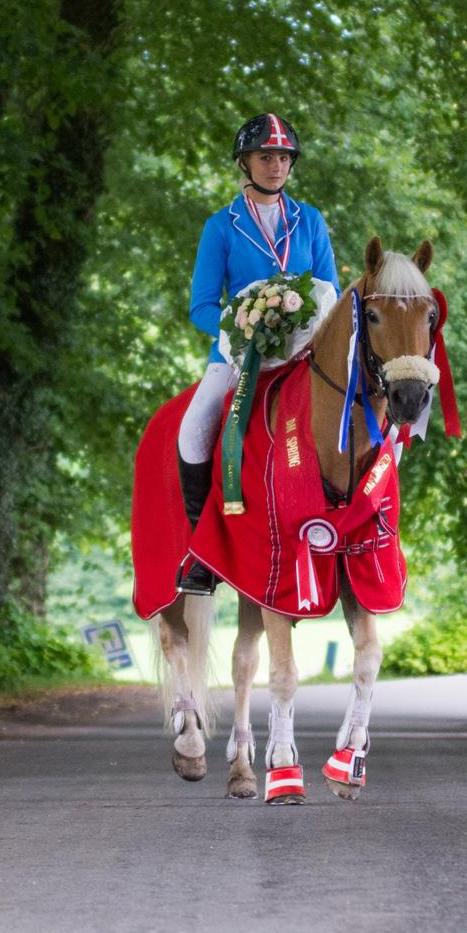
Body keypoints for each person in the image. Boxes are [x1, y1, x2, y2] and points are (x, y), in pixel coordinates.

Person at [175, 113, 341, 594]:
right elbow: (202, 306)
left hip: (304, 354)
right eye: (266, 156)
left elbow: (329, 289)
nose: (276, 165)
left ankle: (351, 532)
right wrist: (240, 324)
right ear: (245, 162)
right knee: (194, 427)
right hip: (237, 355)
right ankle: (200, 552)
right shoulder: (219, 227)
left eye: (284, 157)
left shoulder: (309, 220)